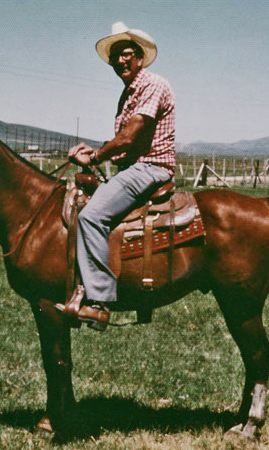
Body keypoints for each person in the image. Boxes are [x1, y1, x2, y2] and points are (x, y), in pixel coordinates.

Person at [67, 21, 176, 329]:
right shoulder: (129, 93)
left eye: (126, 54)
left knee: (91, 216)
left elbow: (131, 136)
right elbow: (125, 144)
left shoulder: (152, 84)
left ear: (139, 57)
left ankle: (99, 301)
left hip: (151, 167)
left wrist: (98, 155)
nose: (120, 61)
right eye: (115, 57)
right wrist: (94, 154)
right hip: (135, 166)